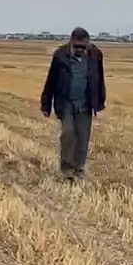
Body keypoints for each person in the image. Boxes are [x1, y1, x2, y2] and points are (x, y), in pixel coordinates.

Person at [40, 27, 106, 181]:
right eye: (76, 46)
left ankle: (78, 168)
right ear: (70, 42)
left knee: (83, 137)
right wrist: (46, 104)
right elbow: (51, 81)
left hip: (85, 102)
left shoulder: (96, 55)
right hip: (66, 101)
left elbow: (100, 79)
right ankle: (66, 169)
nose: (79, 50)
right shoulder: (60, 56)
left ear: (88, 44)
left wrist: (100, 102)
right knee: (68, 133)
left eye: (82, 47)